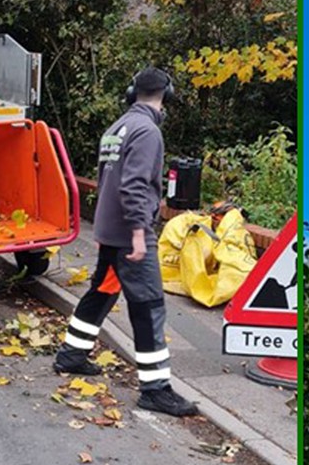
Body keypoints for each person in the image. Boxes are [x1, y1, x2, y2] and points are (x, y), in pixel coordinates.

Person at [53, 65, 199, 417]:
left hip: (109, 229)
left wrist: (110, 229)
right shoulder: (147, 131)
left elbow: (107, 181)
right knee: (148, 304)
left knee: (102, 291)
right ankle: (155, 389)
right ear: (166, 95)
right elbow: (134, 184)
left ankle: (71, 355)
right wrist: (138, 233)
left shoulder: (116, 128)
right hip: (130, 234)